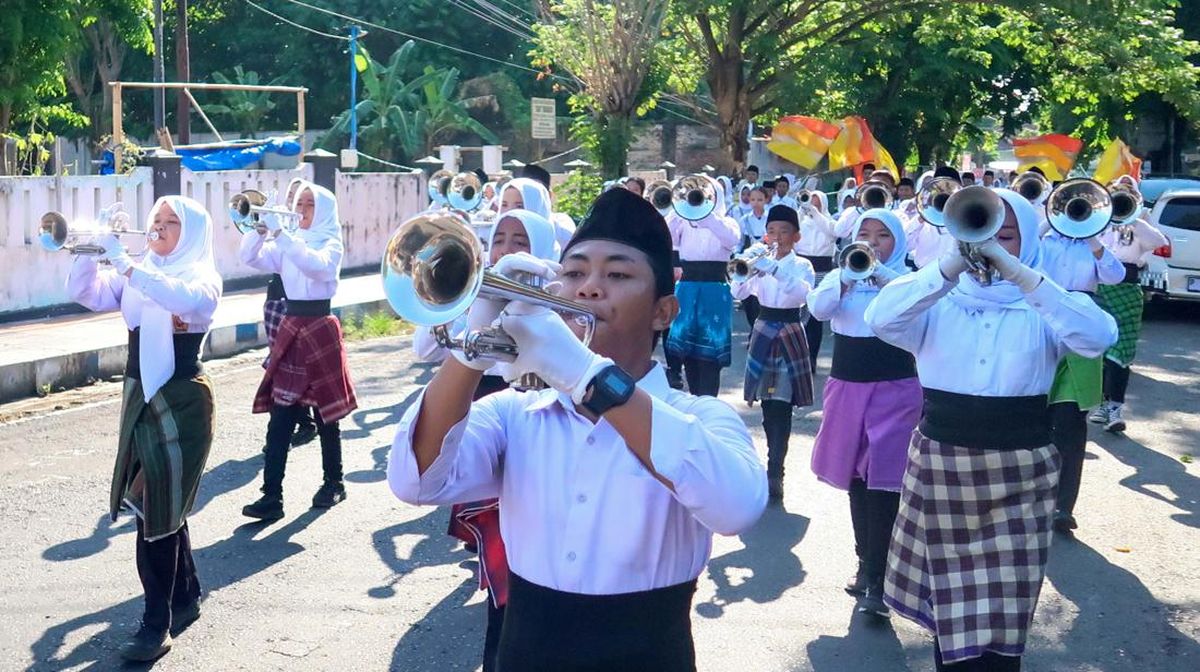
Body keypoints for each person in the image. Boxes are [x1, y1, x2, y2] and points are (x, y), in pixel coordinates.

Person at [388, 188, 767, 671]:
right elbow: (415, 480)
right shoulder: (513, 413)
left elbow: (736, 507)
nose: (588, 288)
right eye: (573, 272)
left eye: (618, 274)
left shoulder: (701, 419)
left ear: (663, 311)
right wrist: (471, 344)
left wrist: (587, 375)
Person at [865, 189, 1117, 671]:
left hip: (1020, 472)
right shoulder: (936, 302)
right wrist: (947, 268)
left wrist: (1020, 273)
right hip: (943, 467)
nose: (990, 246)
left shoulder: (1043, 305)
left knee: (1005, 621)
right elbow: (880, 317)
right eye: (981, 234)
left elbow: (1098, 336)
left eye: (1006, 236)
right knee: (952, 616)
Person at [68, 196, 222, 661]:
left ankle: (155, 624)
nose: (158, 228)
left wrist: (122, 259)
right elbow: (88, 293)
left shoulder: (202, 277)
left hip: (182, 401)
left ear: (193, 231)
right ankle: (186, 594)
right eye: (156, 219)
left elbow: (178, 298)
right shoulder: (137, 272)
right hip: (140, 395)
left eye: (172, 222)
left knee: (156, 505)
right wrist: (87, 247)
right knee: (160, 505)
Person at [410, 208, 558, 672]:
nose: (508, 250)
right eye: (500, 239)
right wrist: (480, 306)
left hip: (537, 421)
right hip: (482, 407)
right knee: (500, 566)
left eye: (521, 241)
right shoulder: (478, 295)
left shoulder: (556, 299)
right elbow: (423, 348)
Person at [809, 208, 921, 619]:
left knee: (885, 480)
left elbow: (917, 305)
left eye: (883, 237)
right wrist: (845, 276)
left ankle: (880, 575)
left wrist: (881, 276)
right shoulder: (842, 274)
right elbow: (819, 310)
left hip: (896, 387)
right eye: (866, 235)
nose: (872, 244)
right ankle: (865, 560)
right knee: (856, 476)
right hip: (847, 386)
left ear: (899, 243)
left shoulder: (908, 277)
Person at [240, 183, 357, 520]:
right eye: (298, 202)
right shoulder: (287, 241)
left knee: (326, 415)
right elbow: (250, 258)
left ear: (322, 210)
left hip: (319, 325)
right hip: (292, 325)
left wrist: (282, 235)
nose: (301, 209)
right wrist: (259, 230)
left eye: (309, 204)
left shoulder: (330, 242)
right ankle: (271, 497)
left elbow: (316, 267)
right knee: (280, 418)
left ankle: (334, 482)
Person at [1039, 216, 1126, 535]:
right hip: (1040, 321)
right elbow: (1019, 258)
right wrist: (1046, 222)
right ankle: (1033, 500)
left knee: (1071, 425)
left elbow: (1116, 276)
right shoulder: (1043, 241)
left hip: (1081, 326)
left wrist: (1092, 237)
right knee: (1033, 422)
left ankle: (1063, 507)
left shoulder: (1095, 243)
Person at [731, 205, 815, 501]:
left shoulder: (802, 265)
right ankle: (771, 461)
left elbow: (804, 295)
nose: (777, 237)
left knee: (783, 403)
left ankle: (776, 468)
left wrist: (776, 270)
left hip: (790, 328)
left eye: (783, 232)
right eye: (771, 231)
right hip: (764, 327)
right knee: (767, 404)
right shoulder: (760, 260)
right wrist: (745, 269)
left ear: (796, 236)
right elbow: (738, 294)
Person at [1091, 195, 1169, 432]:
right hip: (1100, 289)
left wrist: (1132, 219)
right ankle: (1103, 404)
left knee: (1121, 351)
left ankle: (1116, 407)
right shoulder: (1099, 225)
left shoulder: (1139, 229)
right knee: (1101, 350)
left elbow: (1159, 240)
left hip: (1127, 290)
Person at [667, 175, 741, 396]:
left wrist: (705, 215)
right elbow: (667, 236)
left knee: (709, 352)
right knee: (688, 351)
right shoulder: (684, 221)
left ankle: (709, 398)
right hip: (688, 286)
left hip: (714, 287)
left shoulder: (727, 222)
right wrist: (678, 211)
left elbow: (731, 239)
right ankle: (693, 395)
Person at [260, 178, 318, 450]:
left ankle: (304, 422)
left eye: (303, 199)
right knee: (280, 362)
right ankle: (289, 425)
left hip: (298, 304)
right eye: (293, 196)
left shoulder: (309, 231)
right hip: (276, 297)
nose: (297, 204)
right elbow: (257, 255)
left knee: (292, 364)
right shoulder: (279, 221)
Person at [794, 191, 838, 371]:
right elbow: (792, 228)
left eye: (817, 203)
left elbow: (832, 233)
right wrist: (802, 210)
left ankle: (812, 356)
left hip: (822, 269)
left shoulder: (829, 222)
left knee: (815, 316)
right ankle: (799, 357)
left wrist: (816, 213)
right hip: (803, 267)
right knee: (798, 314)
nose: (812, 205)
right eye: (810, 202)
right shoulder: (802, 220)